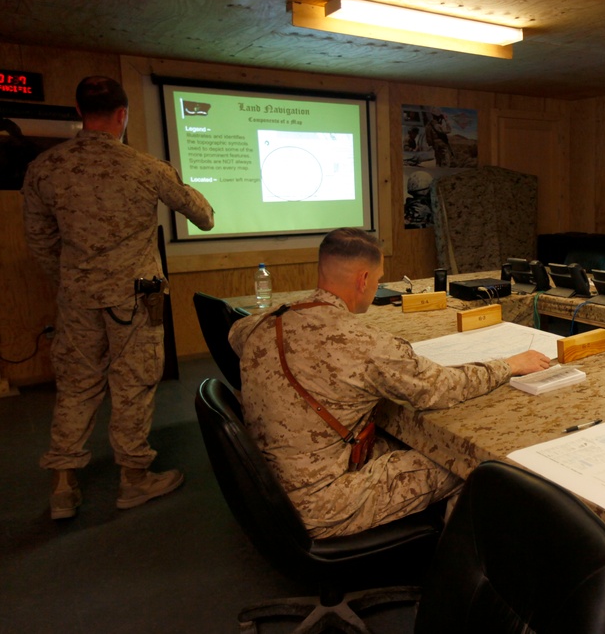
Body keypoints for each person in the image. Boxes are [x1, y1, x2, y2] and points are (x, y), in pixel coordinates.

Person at [229, 228, 551, 538]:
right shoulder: (364, 345)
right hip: (320, 504)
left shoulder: (263, 321)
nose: (376, 285)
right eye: (379, 278)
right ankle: (456, 576)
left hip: (269, 483)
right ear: (364, 280)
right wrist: (509, 365)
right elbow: (442, 387)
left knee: (410, 443)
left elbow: (235, 337)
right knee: (470, 463)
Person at [22, 76, 215, 519]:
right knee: (133, 385)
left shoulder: (45, 168)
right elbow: (203, 217)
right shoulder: (147, 168)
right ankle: (133, 480)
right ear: (123, 115)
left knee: (75, 386)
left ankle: (63, 486)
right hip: (134, 302)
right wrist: (175, 178)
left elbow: (39, 240)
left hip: (77, 300)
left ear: (78, 113)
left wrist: (72, 280)